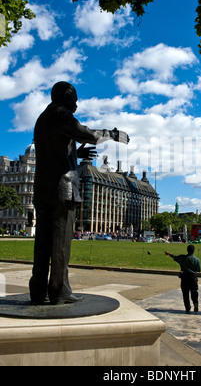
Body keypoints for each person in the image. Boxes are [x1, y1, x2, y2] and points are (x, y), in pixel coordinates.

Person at [29, 81, 129, 305]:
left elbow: (53, 148)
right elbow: (88, 134)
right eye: (74, 98)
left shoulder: (42, 118)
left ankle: (37, 289)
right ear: (66, 96)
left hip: (42, 188)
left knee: (42, 243)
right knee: (61, 243)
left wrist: (75, 151)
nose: (77, 103)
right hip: (62, 189)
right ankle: (58, 289)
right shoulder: (62, 114)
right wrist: (112, 134)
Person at [165, 245, 201, 313]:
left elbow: (174, 257)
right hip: (193, 277)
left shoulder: (182, 258)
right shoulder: (196, 259)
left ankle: (187, 307)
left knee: (185, 293)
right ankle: (195, 303)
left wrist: (168, 253)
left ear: (187, 250)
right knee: (194, 291)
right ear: (193, 251)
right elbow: (199, 269)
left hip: (184, 277)